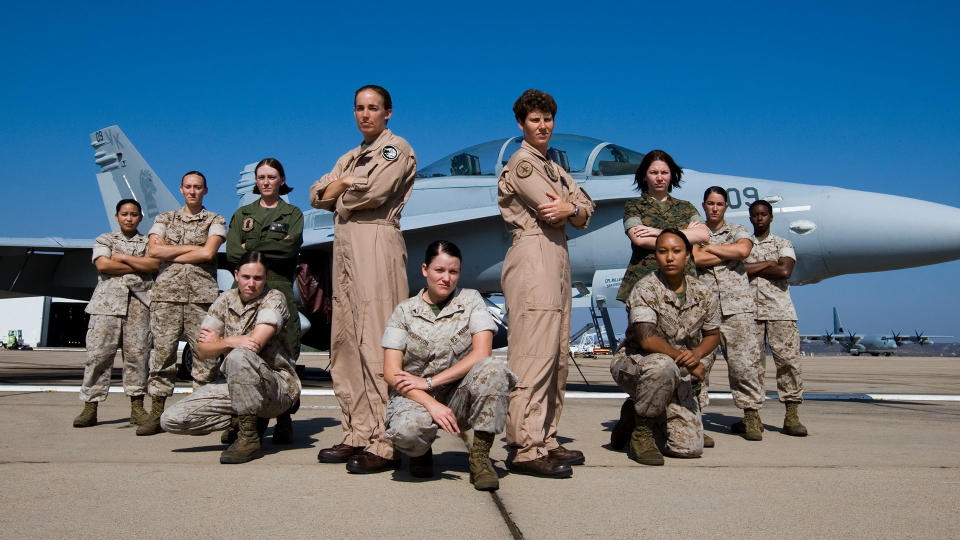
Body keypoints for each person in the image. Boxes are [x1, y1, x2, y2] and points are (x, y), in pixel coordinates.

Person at [309, 85, 417, 474]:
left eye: (373, 108)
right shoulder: (349, 157)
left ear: (388, 112)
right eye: (359, 108)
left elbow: (372, 192)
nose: (365, 114)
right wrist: (337, 187)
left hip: (376, 239)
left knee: (376, 342)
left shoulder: (396, 148)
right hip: (345, 248)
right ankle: (356, 431)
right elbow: (315, 194)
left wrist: (337, 193)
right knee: (345, 343)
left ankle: (385, 440)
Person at [498, 89, 595, 478]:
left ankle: (545, 438)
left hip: (556, 257)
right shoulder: (524, 164)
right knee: (533, 355)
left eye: (548, 119)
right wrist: (572, 209)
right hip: (534, 254)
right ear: (522, 124)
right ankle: (524, 446)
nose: (543, 126)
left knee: (555, 356)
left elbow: (583, 206)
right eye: (535, 119)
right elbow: (551, 211)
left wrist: (572, 207)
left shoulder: (553, 165)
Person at [382, 240, 515, 490]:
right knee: (408, 432)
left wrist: (432, 382)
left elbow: (482, 352)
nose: (446, 278)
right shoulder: (404, 311)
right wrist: (430, 401)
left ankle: (480, 459)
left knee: (494, 370)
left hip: (457, 393)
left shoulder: (471, 300)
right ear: (425, 270)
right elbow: (391, 372)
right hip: (415, 395)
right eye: (439, 271)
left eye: (453, 272)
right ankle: (420, 452)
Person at [160, 251, 301, 464]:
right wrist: (229, 342)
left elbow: (253, 345)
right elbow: (202, 350)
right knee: (172, 420)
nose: (251, 283)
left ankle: (249, 437)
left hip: (276, 386)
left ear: (266, 279)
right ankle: (248, 419)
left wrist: (221, 342)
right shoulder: (224, 300)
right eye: (246, 277)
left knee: (240, 357)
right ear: (236, 275)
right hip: (238, 384)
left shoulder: (274, 298)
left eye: (258, 278)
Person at [612, 149, 710, 449]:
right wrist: (682, 236)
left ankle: (691, 417)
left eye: (664, 172)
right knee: (649, 351)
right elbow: (639, 239)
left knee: (692, 349)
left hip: (684, 287)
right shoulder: (634, 205)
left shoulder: (686, 206)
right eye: (654, 172)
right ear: (644, 176)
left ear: (672, 176)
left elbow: (703, 233)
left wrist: (659, 232)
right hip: (647, 286)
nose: (659, 177)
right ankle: (640, 412)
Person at [610, 229, 720, 465]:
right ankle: (642, 434)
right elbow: (647, 339)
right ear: (656, 256)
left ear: (688, 256)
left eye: (676, 251)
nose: (670, 257)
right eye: (663, 252)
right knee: (662, 364)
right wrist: (686, 359)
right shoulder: (645, 288)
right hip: (637, 363)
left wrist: (697, 355)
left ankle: (634, 413)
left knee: (689, 448)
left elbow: (712, 334)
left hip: (677, 369)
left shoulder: (704, 292)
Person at [138, 171, 226, 436]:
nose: (192, 191)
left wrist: (174, 251)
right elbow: (153, 251)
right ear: (181, 189)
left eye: (197, 187)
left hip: (201, 299)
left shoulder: (215, 219)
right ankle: (156, 413)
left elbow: (209, 252)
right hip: (166, 297)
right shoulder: (164, 219)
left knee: (205, 358)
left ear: (205, 191)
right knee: (161, 356)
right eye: (188, 187)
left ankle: (199, 413)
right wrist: (194, 250)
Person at [226, 157, 303, 443]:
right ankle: (242, 419)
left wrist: (251, 248)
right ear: (255, 181)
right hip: (244, 292)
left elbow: (288, 250)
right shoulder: (242, 213)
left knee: (282, 356)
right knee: (243, 351)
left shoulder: (292, 213)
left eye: (272, 177)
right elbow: (233, 252)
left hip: (279, 288)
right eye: (261, 177)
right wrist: (267, 246)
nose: (266, 182)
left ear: (281, 180)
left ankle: (284, 419)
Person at [73, 199, 159, 427]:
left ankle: (137, 407)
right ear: (117, 216)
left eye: (133, 214)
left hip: (139, 307)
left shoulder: (148, 243)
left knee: (138, 357)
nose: (129, 218)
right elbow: (104, 266)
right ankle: (90, 407)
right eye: (124, 214)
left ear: (140, 217)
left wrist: (122, 259)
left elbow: (153, 265)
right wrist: (138, 265)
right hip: (106, 307)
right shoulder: (105, 239)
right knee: (98, 357)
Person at [693, 186, 764, 440]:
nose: (714, 208)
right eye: (710, 204)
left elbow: (743, 251)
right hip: (705, 309)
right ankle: (694, 419)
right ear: (704, 205)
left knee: (744, 364)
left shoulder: (737, 230)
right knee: (699, 365)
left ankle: (751, 416)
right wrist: (725, 252)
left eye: (719, 204)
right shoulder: (695, 230)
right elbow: (694, 259)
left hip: (738, 309)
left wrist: (709, 249)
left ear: (725, 206)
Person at [743, 200, 808, 436]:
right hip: (749, 312)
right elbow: (739, 271)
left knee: (788, 363)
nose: (759, 218)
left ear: (770, 218)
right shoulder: (743, 246)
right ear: (750, 218)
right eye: (755, 215)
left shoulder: (783, 243)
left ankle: (791, 415)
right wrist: (768, 263)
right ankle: (751, 416)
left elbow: (785, 271)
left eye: (763, 215)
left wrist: (755, 267)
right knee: (750, 366)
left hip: (781, 312)